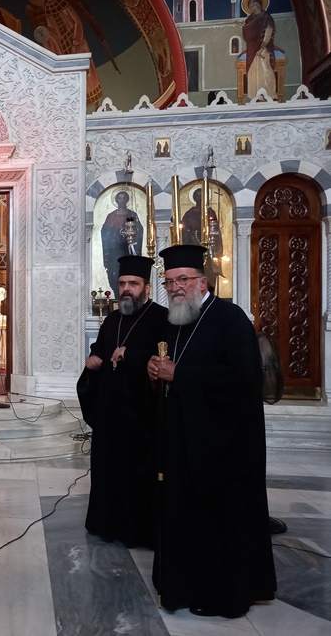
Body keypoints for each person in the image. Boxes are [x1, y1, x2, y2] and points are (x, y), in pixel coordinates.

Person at [146, 244, 276, 619]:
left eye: (183, 279)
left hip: (225, 448)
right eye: (169, 281)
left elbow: (243, 380)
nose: (175, 288)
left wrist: (179, 375)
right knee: (184, 517)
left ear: (202, 282)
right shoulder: (175, 322)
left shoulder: (230, 319)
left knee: (222, 522)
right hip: (183, 442)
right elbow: (170, 372)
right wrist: (155, 373)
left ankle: (222, 594)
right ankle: (183, 585)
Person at [80, 255, 168, 548]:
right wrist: (94, 358)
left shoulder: (161, 318)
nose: (126, 289)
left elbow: (165, 360)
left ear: (146, 288)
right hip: (110, 411)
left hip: (140, 413)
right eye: (122, 284)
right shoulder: (113, 319)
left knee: (136, 471)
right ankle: (105, 524)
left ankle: (135, 531)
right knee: (107, 468)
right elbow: (101, 348)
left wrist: (131, 355)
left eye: (133, 283)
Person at [101, 189, 144, 297]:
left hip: (128, 250)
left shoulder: (132, 214)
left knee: (129, 273)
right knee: (114, 274)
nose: (122, 200)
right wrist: (115, 234)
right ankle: (117, 295)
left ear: (127, 200)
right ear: (116, 200)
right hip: (114, 251)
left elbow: (139, 230)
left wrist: (132, 234)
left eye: (124, 198)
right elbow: (105, 233)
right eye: (119, 198)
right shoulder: (111, 216)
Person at [181, 186, 224, 289]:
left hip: (210, 248)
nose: (200, 199)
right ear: (194, 198)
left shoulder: (211, 212)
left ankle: (209, 292)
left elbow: (215, 230)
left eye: (202, 196)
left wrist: (216, 248)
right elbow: (184, 231)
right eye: (197, 196)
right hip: (193, 247)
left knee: (209, 274)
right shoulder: (189, 214)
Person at [243, 0, 277, 100]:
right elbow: (247, 33)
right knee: (253, 71)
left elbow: (268, 31)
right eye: (250, 7)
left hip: (264, 47)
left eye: (254, 5)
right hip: (252, 48)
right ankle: (256, 95)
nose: (252, 8)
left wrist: (262, 47)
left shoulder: (266, 17)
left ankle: (270, 94)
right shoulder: (249, 19)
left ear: (258, 5)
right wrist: (243, 27)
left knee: (265, 69)